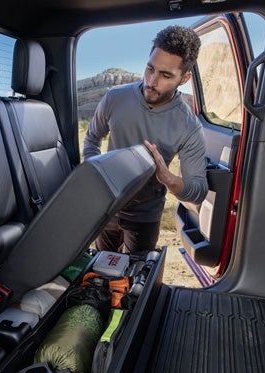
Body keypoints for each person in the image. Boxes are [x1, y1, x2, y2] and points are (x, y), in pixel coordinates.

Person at [82, 25, 208, 254]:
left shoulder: (189, 126)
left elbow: (198, 190)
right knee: (101, 268)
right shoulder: (114, 97)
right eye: (150, 69)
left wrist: (169, 179)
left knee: (137, 273)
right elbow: (92, 138)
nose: (151, 81)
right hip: (107, 207)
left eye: (165, 75)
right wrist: (98, 177)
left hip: (145, 216)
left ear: (184, 78)